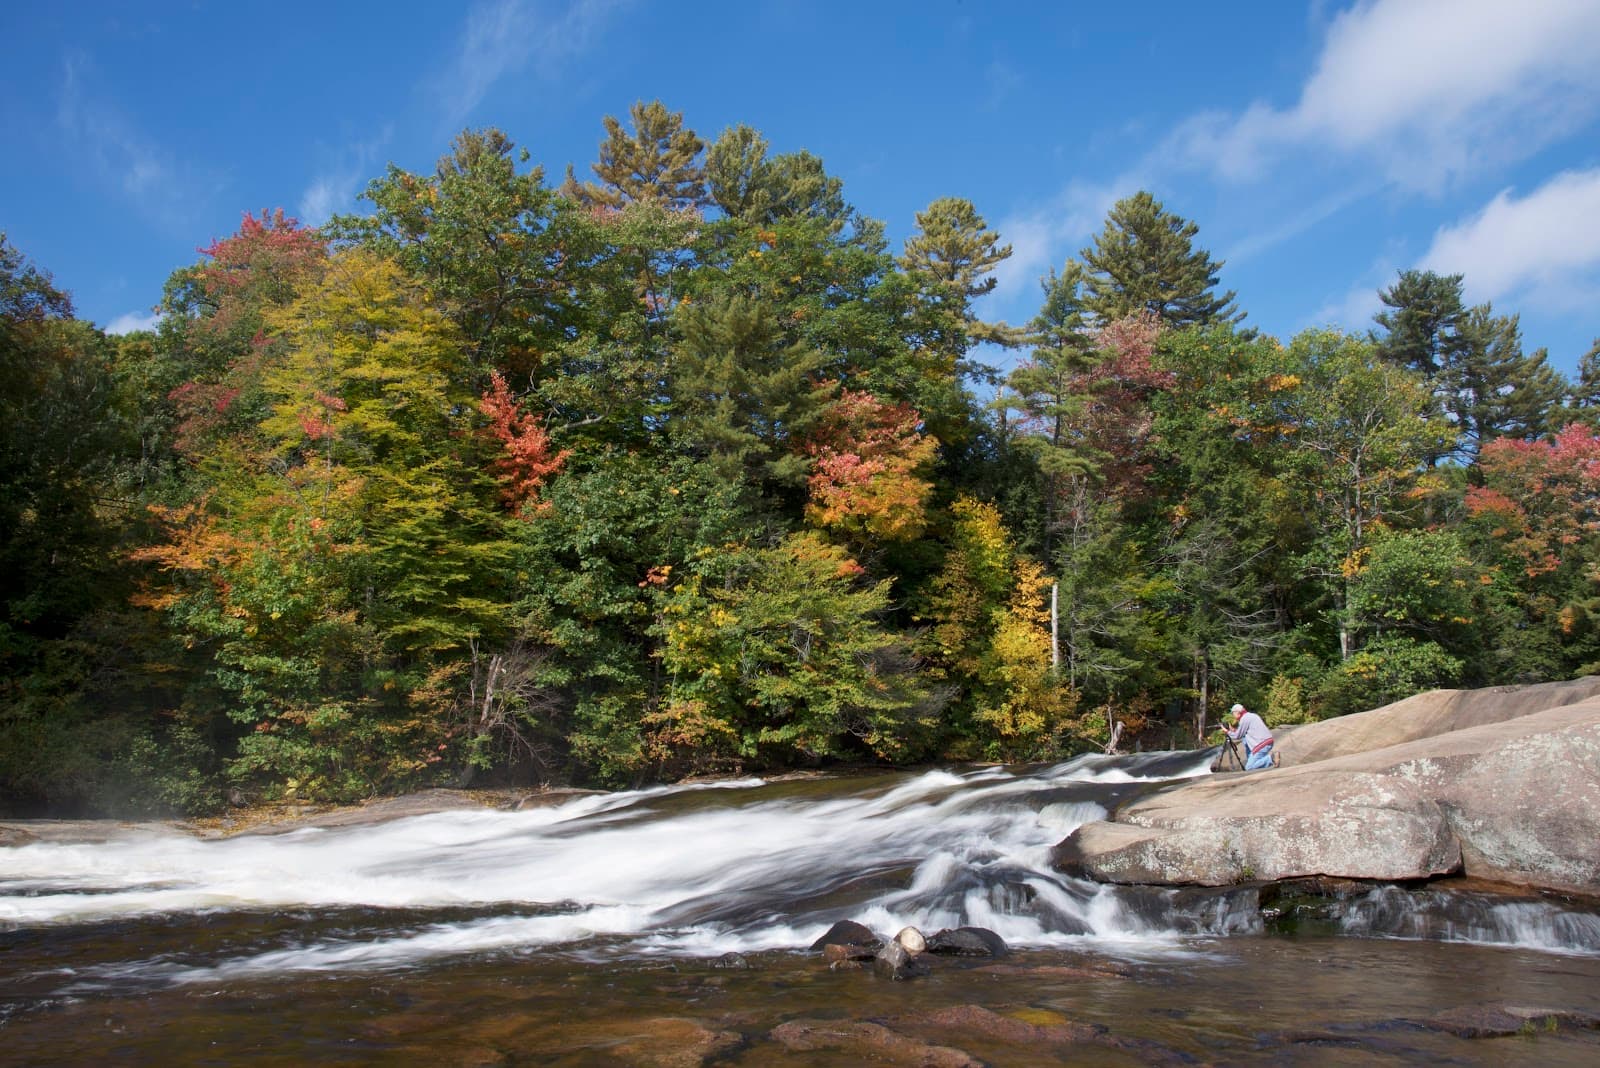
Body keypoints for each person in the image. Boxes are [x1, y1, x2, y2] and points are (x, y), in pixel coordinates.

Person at [1223, 702, 1275, 770]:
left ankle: (1271, 758)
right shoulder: (1251, 715)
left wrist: (1227, 731)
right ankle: (1268, 761)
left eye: (1233, 713)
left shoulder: (1244, 719)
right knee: (1255, 763)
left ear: (1237, 712)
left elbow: (1237, 736)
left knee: (1249, 767)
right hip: (1267, 741)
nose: (1233, 715)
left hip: (1261, 744)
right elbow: (1244, 732)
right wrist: (1232, 730)